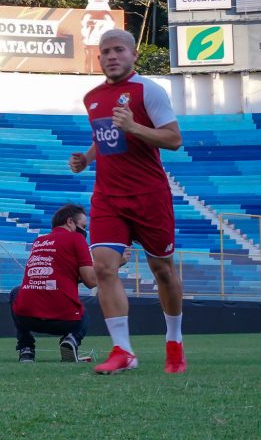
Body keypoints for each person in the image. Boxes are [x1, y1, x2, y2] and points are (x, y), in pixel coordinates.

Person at [68, 29, 185, 375]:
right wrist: (87, 159)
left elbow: (174, 139)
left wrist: (135, 127)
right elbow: (104, 137)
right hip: (108, 197)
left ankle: (174, 340)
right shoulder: (92, 97)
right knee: (104, 267)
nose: (111, 56)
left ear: (134, 55)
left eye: (119, 50)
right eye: (105, 52)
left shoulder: (148, 90)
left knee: (162, 269)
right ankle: (123, 350)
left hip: (150, 196)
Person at [10, 204, 96, 362]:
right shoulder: (76, 238)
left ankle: (26, 349)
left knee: (16, 292)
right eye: (83, 226)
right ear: (70, 222)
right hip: (65, 321)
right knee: (85, 315)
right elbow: (90, 281)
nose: (85, 231)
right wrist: (114, 265)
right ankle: (71, 339)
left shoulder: (39, 241)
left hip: (27, 318)